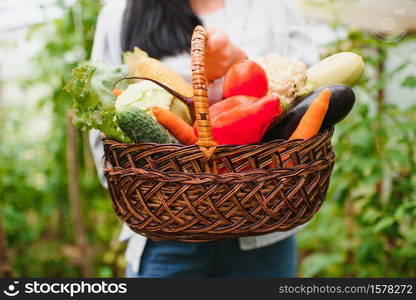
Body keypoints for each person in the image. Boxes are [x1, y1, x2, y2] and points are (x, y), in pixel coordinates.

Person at [89, 0, 319, 278]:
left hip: (265, 230)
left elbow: (314, 99)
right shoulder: (120, 14)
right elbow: (102, 129)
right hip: (166, 233)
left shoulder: (275, 7)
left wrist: (238, 61)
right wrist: (158, 196)